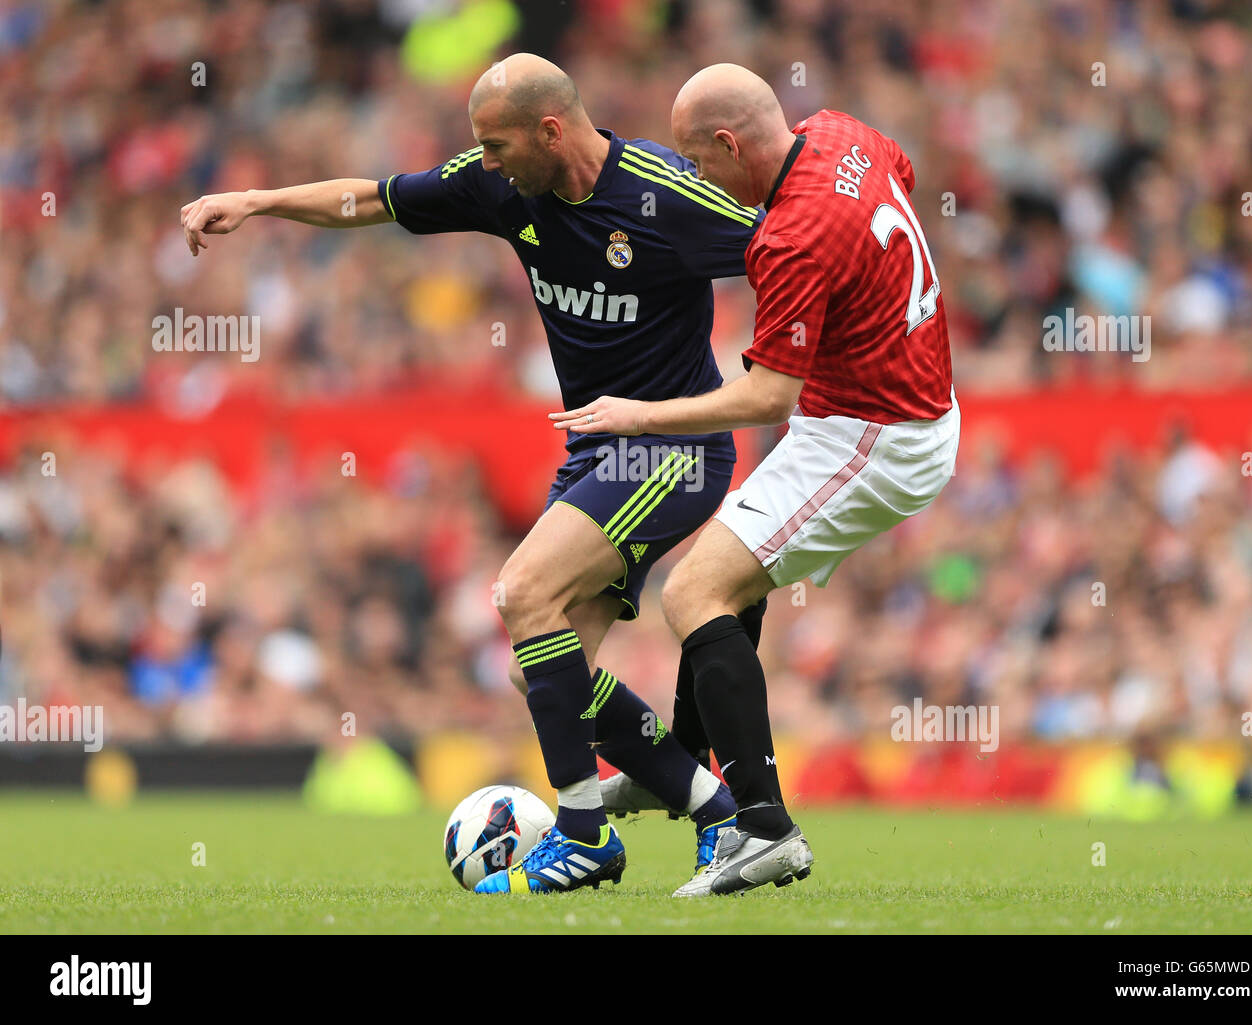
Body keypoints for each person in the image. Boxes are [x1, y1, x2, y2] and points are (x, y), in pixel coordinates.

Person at [180, 53, 764, 895]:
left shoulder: (665, 193)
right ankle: (718, 813)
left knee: (522, 591)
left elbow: (789, 247)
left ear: (550, 131)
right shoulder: (500, 187)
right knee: (545, 668)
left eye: (496, 145)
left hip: (671, 447)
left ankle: (584, 831)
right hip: (594, 451)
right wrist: (258, 201)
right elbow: (372, 199)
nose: (484, 161)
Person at [551, 63, 960, 896]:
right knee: (726, 576)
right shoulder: (844, 132)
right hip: (888, 408)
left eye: (699, 161)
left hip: (876, 433)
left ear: (730, 144)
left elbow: (768, 396)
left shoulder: (790, 235)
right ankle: (688, 761)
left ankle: (766, 828)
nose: (697, 178)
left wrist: (638, 414)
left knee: (692, 592)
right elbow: (902, 177)